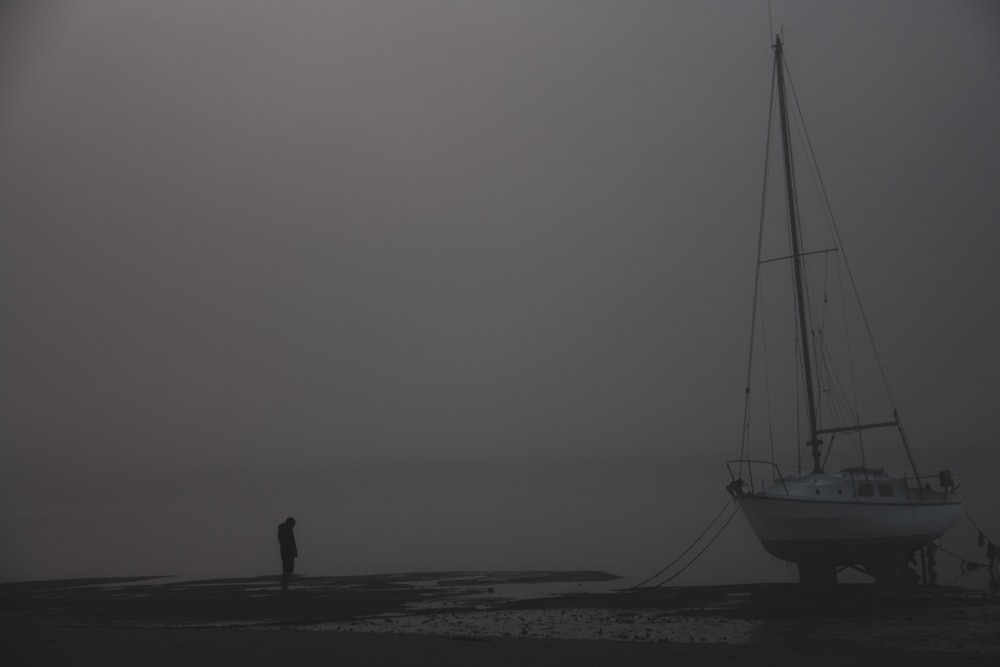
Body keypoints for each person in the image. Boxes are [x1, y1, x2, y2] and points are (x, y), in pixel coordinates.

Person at [277, 517, 297, 592]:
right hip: (287, 553)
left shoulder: (286, 529)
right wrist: (292, 550)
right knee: (286, 570)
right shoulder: (285, 530)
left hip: (287, 552)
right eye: (293, 524)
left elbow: (291, 541)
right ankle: (284, 587)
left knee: (287, 570)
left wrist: (294, 551)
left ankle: (284, 586)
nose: (294, 526)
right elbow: (288, 542)